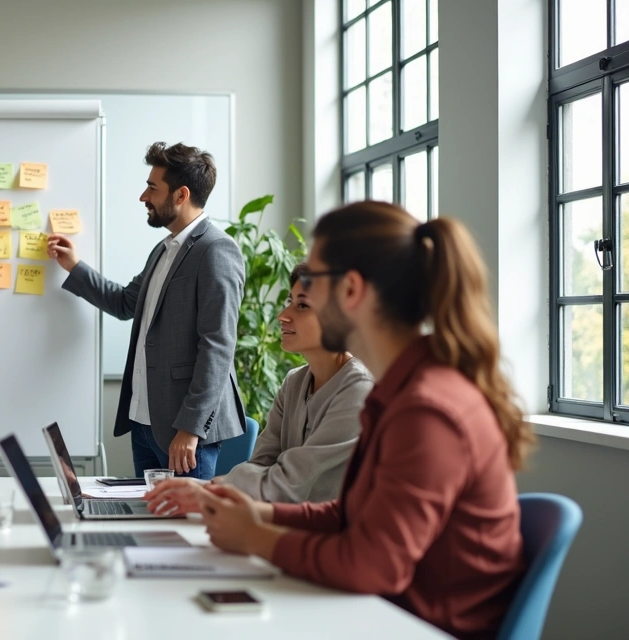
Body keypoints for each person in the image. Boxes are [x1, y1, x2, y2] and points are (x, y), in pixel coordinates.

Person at [151, 202, 535, 640]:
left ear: (351, 290)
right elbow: (352, 514)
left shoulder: (427, 410)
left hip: (415, 624)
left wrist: (258, 537)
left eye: (310, 282)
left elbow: (373, 566)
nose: (293, 302)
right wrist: (257, 514)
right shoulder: (400, 391)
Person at [47, 142, 247, 480]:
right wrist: (74, 266)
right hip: (145, 422)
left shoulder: (216, 251)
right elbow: (126, 302)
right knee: (151, 525)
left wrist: (191, 429)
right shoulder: (163, 249)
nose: (143, 196)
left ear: (181, 195)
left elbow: (218, 346)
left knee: (183, 529)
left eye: (152, 188)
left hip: (183, 431)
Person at [148, 267, 373, 508]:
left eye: (302, 306)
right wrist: (208, 489)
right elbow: (261, 463)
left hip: (329, 537)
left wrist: (208, 490)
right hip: (281, 526)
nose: (283, 315)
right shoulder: (294, 382)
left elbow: (290, 482)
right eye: (289, 301)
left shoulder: (360, 391)